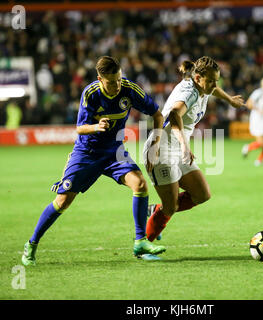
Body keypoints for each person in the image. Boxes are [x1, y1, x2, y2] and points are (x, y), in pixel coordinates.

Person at [22, 56, 166, 266]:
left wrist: (155, 146)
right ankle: (32, 244)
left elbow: (158, 115)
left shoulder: (129, 89)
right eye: (111, 81)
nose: (117, 85)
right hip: (86, 153)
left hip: (114, 151)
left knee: (140, 184)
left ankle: (140, 241)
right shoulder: (90, 94)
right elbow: (80, 128)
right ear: (100, 79)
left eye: (119, 79)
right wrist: (96, 127)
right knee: (63, 201)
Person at [143, 56, 245, 242]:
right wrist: (184, 145)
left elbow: (213, 90)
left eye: (217, 80)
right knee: (171, 206)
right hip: (161, 149)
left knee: (201, 194)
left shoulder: (202, 86)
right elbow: (175, 114)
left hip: (177, 148)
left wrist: (230, 100)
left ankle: (156, 210)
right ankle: (143, 245)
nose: (215, 84)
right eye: (211, 80)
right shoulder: (190, 92)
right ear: (198, 78)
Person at [242, 77, 263, 166]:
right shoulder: (258, 93)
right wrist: (258, 109)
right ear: (262, 85)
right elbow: (249, 104)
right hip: (257, 118)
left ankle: (259, 160)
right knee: (262, 142)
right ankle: (248, 147)